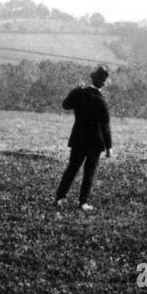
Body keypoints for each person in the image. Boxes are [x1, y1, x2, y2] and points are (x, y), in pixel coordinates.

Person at [55, 65, 112, 212]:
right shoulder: (101, 101)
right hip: (95, 142)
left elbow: (65, 105)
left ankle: (59, 198)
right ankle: (83, 202)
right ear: (103, 84)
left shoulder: (79, 93)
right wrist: (109, 148)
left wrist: (75, 90)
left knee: (72, 168)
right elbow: (105, 126)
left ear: (92, 79)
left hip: (79, 138)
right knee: (89, 172)